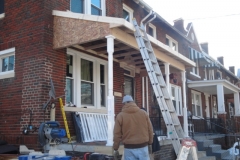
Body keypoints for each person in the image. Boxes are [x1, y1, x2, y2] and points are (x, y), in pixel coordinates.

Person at [113, 95, 153, 160]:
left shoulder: (120, 116)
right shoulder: (144, 113)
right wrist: (150, 143)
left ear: (124, 103)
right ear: (133, 102)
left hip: (129, 148)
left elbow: (117, 134)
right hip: (143, 147)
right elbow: (150, 130)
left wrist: (115, 148)